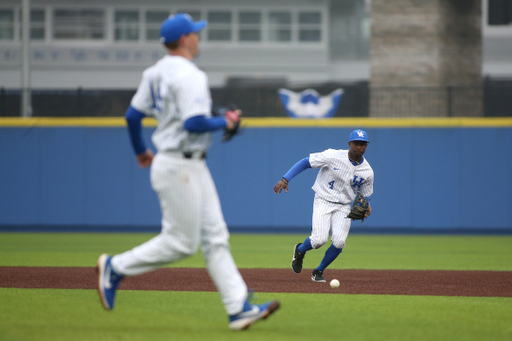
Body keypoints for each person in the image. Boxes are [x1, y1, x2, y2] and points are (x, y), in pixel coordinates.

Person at [97, 13, 279, 331]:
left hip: (186, 163)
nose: (198, 38)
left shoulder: (155, 72)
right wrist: (227, 121)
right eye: (194, 34)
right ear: (184, 39)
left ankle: (238, 308)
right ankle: (115, 267)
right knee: (181, 242)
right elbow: (193, 122)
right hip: (179, 164)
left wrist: (141, 151)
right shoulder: (190, 73)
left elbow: (132, 116)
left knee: (215, 237)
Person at [273, 129, 374, 282]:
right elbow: (306, 162)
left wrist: (366, 205)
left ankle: (318, 271)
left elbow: (365, 195)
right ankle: (300, 250)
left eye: (362, 144)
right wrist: (286, 179)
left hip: (344, 206)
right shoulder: (332, 155)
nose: (359, 147)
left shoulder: (367, 171)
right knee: (318, 240)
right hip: (323, 200)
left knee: (339, 242)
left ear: (366, 146)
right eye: (356, 143)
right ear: (349, 144)